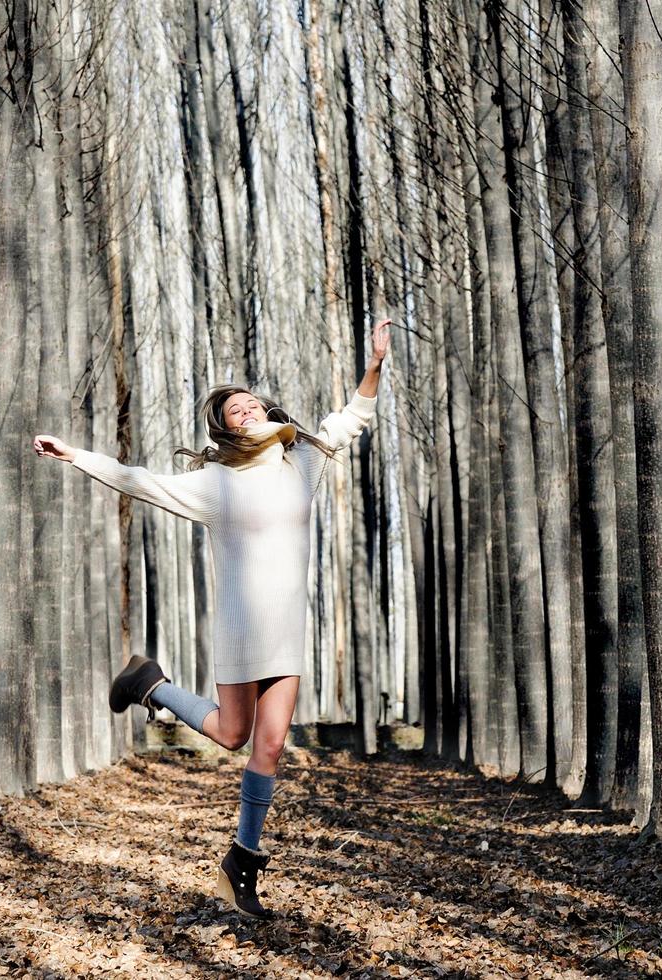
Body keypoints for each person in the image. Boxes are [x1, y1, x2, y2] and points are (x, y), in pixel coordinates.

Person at [32, 318, 392, 919]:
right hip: (241, 625)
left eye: (252, 403)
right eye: (234, 411)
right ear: (223, 428)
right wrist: (74, 455)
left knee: (270, 747)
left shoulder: (302, 459)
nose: (246, 411)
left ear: (268, 410)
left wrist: (375, 362)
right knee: (232, 734)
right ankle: (152, 684)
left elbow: (351, 416)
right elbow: (138, 480)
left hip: (287, 627)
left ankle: (241, 867)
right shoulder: (213, 483)